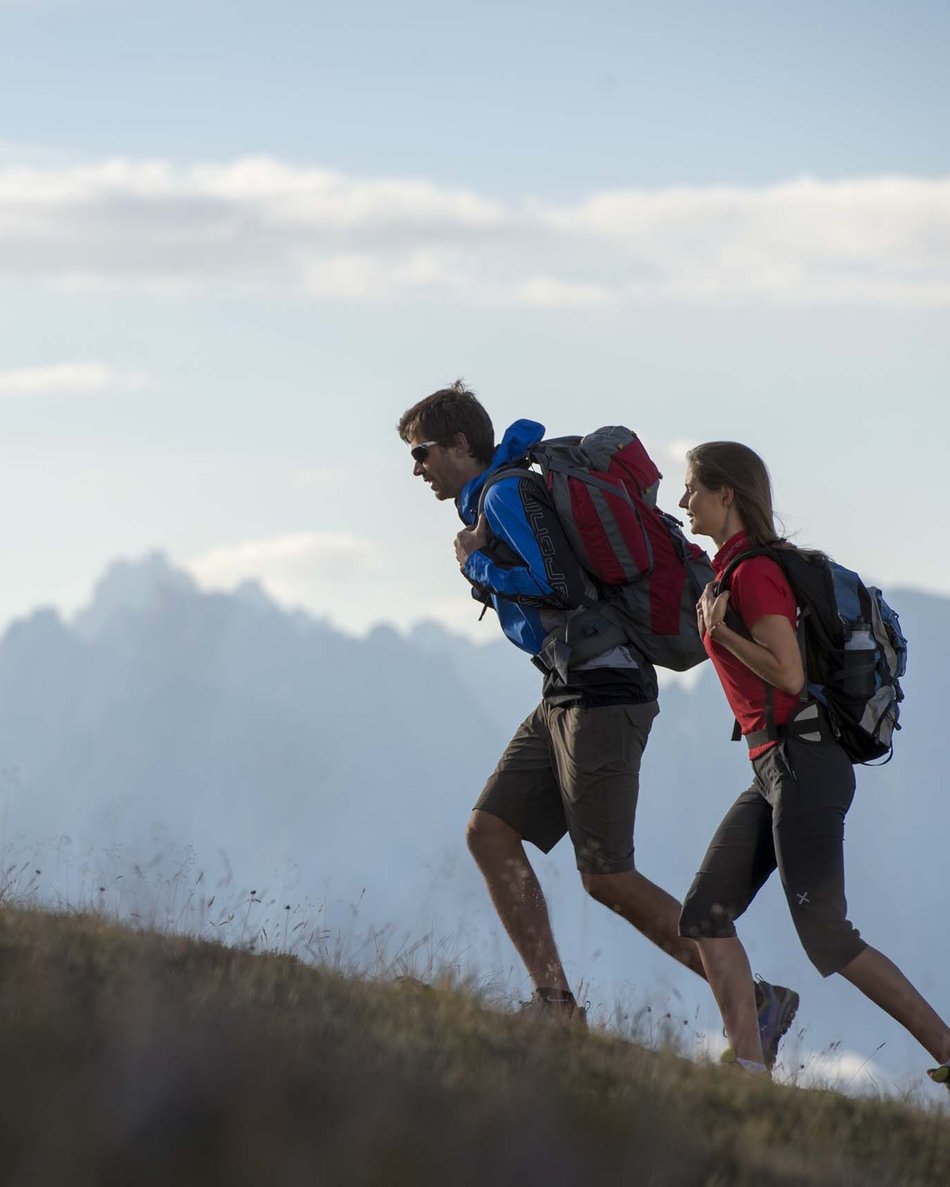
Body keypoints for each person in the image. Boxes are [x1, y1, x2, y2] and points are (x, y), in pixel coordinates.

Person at [396, 381, 797, 1063]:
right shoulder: (496, 496)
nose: (417, 468)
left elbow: (561, 584)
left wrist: (478, 563)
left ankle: (754, 1000)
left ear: (462, 445)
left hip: (603, 690)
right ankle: (555, 1005)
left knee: (607, 874)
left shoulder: (504, 495)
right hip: (567, 688)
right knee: (490, 830)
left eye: (423, 451)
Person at [677, 439, 950, 1084]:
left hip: (805, 761)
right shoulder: (731, 573)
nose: (684, 499)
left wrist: (722, 635)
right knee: (705, 914)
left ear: (727, 494)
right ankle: (748, 1065)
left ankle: (945, 1044)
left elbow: (791, 674)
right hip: (775, 766)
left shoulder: (754, 574)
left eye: (693, 487)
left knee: (827, 934)